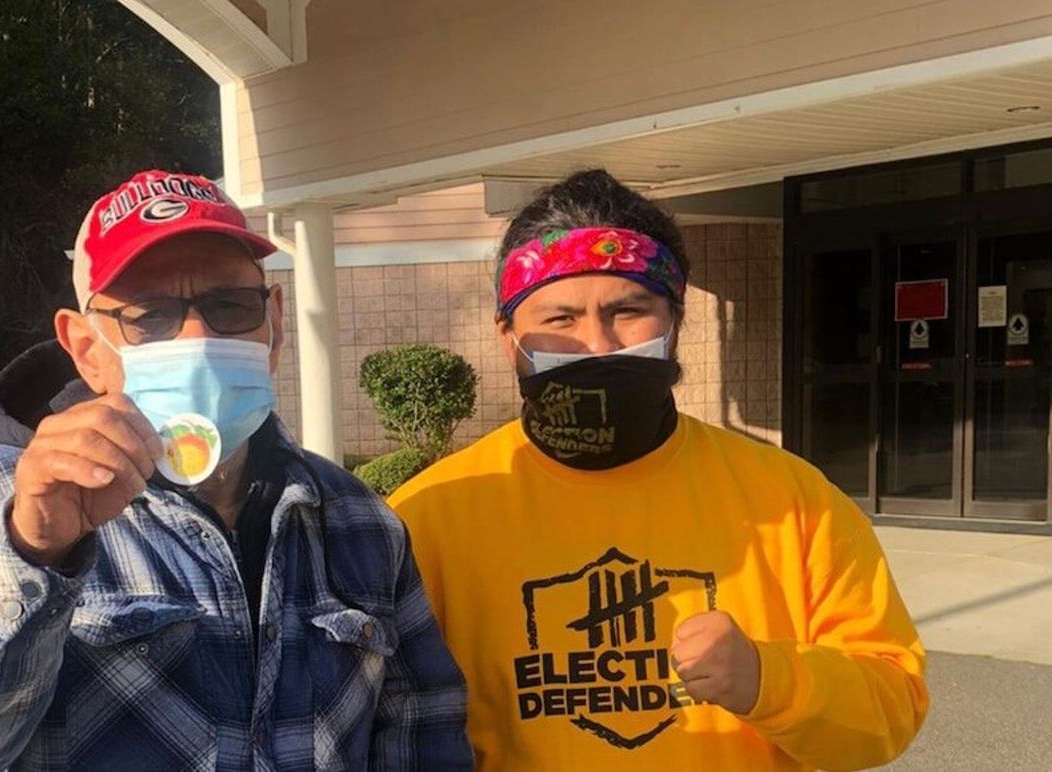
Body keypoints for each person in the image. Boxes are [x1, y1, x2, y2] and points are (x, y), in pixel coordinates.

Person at [0, 170, 471, 770]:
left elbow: (423, 732)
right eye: (149, 315)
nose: (198, 337)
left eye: (230, 305)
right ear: (86, 349)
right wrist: (33, 552)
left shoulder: (360, 520)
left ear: (275, 324)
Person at [389, 169, 927, 770]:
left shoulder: (791, 499)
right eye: (561, 319)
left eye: (628, 310)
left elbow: (891, 711)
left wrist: (767, 678)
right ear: (508, 337)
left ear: (675, 322)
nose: (598, 344)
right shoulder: (424, 520)